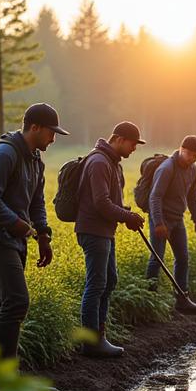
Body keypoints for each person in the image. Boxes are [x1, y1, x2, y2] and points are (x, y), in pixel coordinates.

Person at [0, 103, 68, 360]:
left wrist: (43, 235)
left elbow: (36, 202)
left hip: (14, 240)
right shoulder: (4, 154)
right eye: (51, 132)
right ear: (34, 127)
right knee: (16, 301)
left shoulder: (35, 160)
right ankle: (6, 382)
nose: (53, 138)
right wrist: (16, 223)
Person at [75, 121, 146, 357]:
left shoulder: (112, 163)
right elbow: (100, 202)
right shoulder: (98, 162)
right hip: (93, 231)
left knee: (109, 280)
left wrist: (126, 214)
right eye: (133, 144)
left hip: (105, 230)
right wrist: (127, 215)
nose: (134, 149)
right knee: (96, 285)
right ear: (119, 139)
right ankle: (91, 342)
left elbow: (110, 201)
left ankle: (100, 337)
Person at [145, 135, 196, 314]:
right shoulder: (166, 169)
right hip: (161, 219)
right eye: (191, 155)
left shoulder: (193, 169)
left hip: (177, 219)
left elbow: (193, 196)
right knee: (157, 259)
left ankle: (182, 299)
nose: (193, 159)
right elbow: (154, 197)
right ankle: (149, 300)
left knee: (183, 258)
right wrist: (158, 223)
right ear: (182, 150)